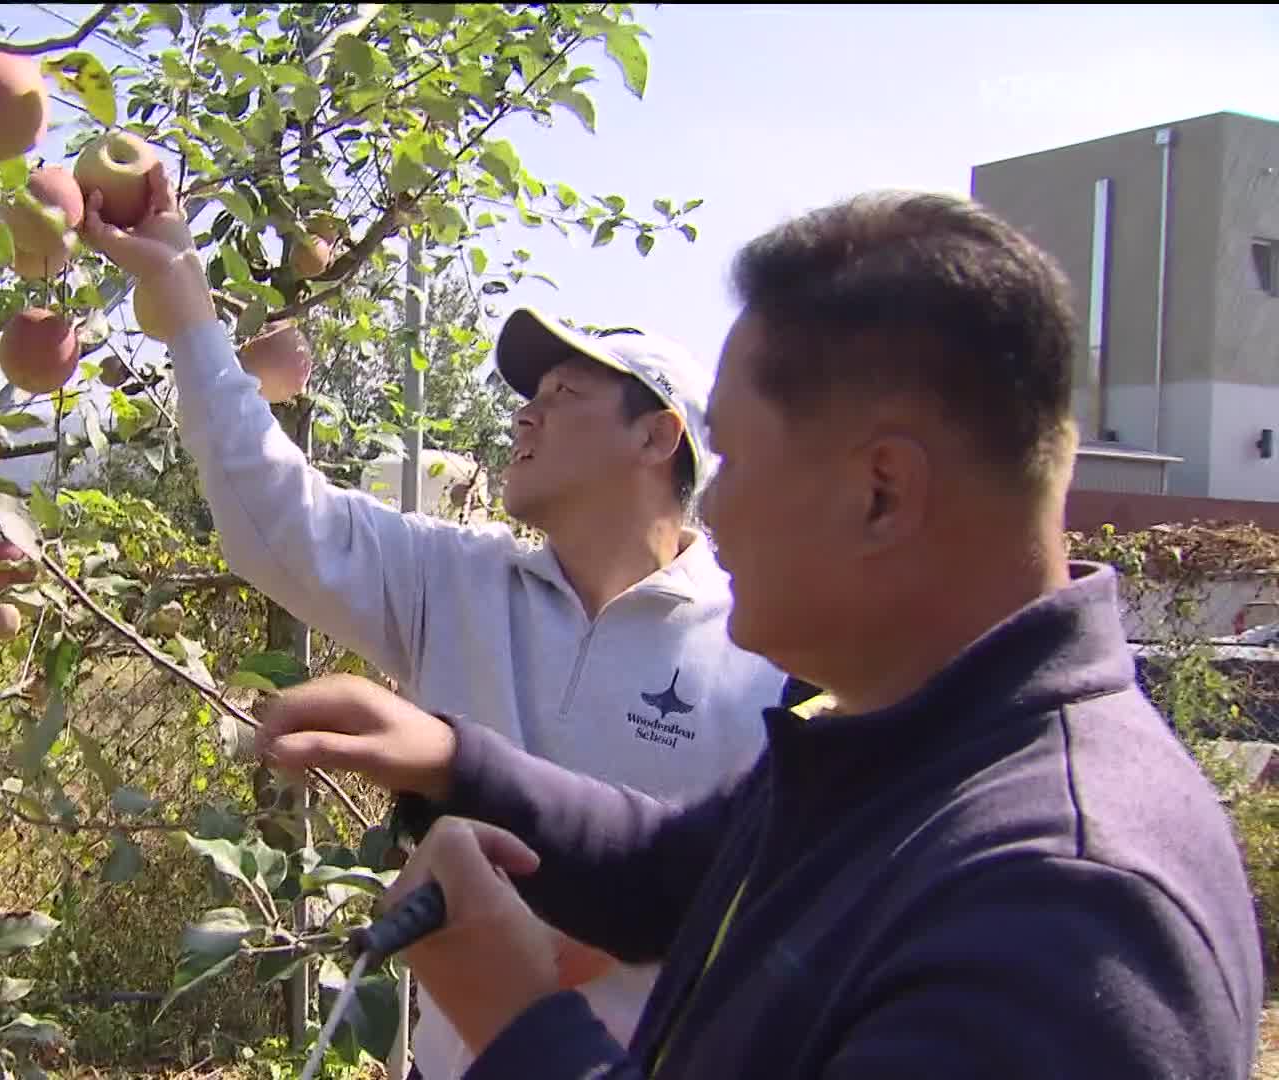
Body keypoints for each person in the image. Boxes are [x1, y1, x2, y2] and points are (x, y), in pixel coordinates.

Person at [253, 190, 1267, 1078]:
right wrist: (452, 759)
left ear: (882, 492)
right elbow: (672, 872)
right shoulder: (905, 751)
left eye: (731, 460)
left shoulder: (1065, 920)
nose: (714, 514)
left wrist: (519, 1029)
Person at [82, 171, 792, 1079]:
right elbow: (275, 513)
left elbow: (729, 894)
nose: (526, 410)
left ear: (657, 439)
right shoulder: (456, 577)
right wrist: (182, 294)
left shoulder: (760, 652)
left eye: (567, 393)